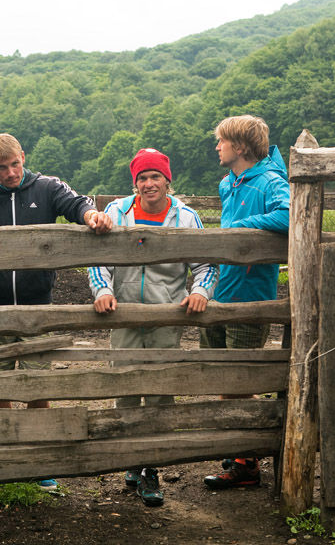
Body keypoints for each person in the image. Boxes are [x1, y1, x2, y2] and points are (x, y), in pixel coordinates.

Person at [0, 132, 112, 492]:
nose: (10, 173)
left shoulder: (47, 187)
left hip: (39, 307)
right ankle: (6, 453)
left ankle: (40, 461)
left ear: (24, 156)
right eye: (1, 167)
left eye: (15, 164)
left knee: (38, 382)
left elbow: (76, 204)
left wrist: (91, 216)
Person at [88, 147, 218, 507]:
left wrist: (200, 292)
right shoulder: (116, 211)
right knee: (125, 385)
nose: (148, 184)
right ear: (135, 183)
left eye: (155, 177)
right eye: (142, 178)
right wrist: (102, 290)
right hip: (123, 314)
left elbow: (206, 263)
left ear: (167, 180)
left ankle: (151, 467)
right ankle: (132, 458)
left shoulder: (186, 218)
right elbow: (99, 260)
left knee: (161, 389)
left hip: (166, 316)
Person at [200, 114, 290, 489]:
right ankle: (239, 452)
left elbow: (288, 215)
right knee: (225, 374)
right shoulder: (227, 183)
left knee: (243, 377)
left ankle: (247, 463)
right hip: (224, 288)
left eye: (221, 142)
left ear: (239, 147)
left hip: (252, 294)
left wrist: (241, 228)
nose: (216, 147)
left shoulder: (269, 181)